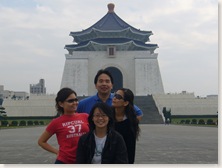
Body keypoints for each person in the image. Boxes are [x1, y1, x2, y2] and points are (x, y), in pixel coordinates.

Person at [38, 88, 89, 164]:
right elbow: (41, 141)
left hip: (84, 160)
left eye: (76, 100)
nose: (75, 103)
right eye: (70, 101)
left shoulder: (86, 116)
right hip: (64, 161)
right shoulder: (56, 122)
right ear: (61, 104)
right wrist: (57, 152)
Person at [77, 69, 143, 121]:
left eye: (107, 81)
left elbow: (139, 113)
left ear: (112, 85)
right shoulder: (83, 104)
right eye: (101, 81)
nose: (104, 84)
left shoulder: (118, 101)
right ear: (95, 85)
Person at [112, 88, 140, 164]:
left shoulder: (131, 122)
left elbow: (130, 148)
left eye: (118, 97)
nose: (114, 98)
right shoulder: (107, 117)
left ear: (126, 103)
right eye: (115, 95)